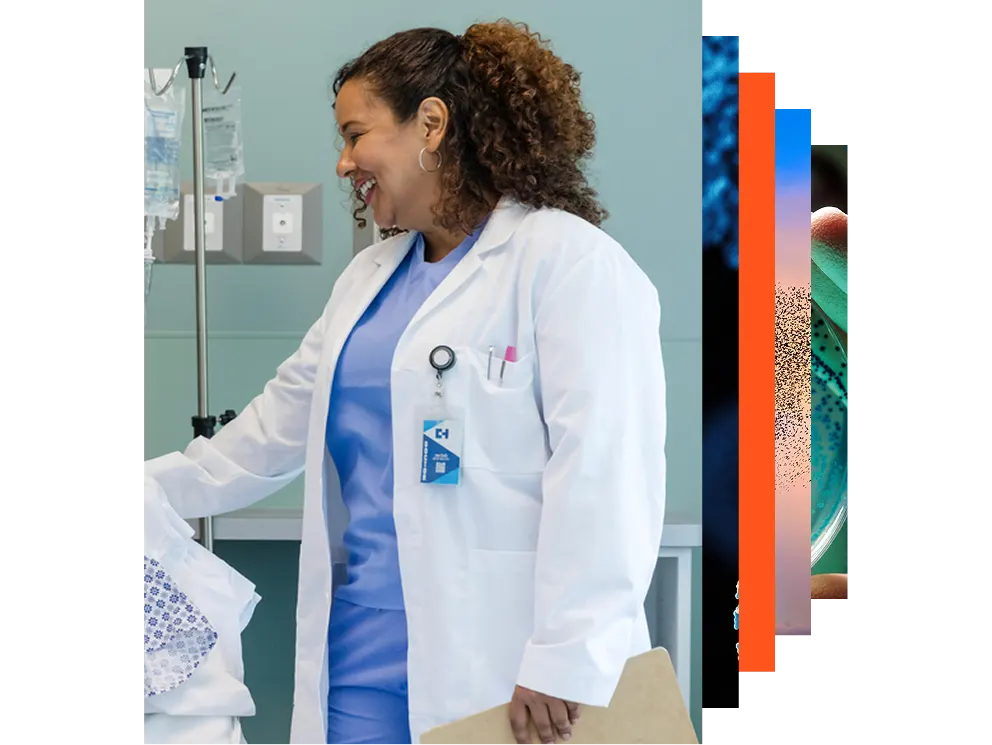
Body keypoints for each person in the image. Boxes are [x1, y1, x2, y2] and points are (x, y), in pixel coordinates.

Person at [144, 20, 667, 745]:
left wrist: (568, 654)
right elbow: (264, 437)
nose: (343, 162)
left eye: (356, 135)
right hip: (359, 654)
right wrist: (150, 488)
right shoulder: (368, 281)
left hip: (506, 659)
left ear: (430, 123)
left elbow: (607, 473)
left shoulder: (570, 264)